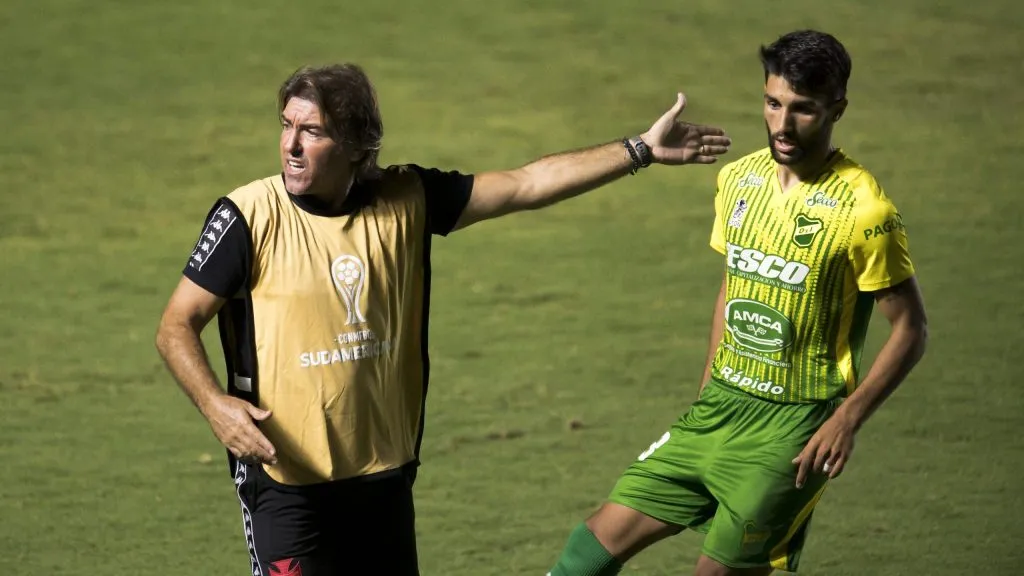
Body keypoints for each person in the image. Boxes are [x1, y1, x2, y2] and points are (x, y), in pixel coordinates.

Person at [154, 63, 730, 575]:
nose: (291, 146)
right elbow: (176, 324)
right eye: (286, 125)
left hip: (382, 477)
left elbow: (527, 185)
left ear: (357, 145)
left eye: (313, 131)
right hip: (286, 483)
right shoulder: (249, 215)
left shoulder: (408, 197)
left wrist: (639, 150)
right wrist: (215, 405)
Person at [546, 29, 929, 576]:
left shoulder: (865, 210)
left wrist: (848, 419)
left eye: (804, 109)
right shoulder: (738, 181)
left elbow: (911, 330)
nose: (783, 124)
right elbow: (734, 287)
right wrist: (707, 386)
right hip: (719, 408)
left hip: (795, 429)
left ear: (837, 108)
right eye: (773, 104)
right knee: (587, 550)